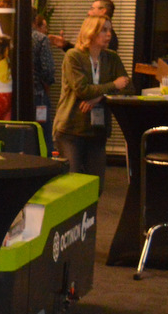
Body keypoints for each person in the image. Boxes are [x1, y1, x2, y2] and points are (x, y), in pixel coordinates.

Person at [54, 14, 130, 195]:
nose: (109, 34)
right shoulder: (74, 56)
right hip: (71, 129)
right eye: (103, 30)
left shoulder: (111, 58)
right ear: (90, 32)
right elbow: (82, 90)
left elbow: (128, 87)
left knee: (96, 188)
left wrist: (99, 97)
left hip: (97, 131)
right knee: (71, 187)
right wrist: (112, 85)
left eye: (110, 30)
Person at [50, 0, 119, 56]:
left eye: (92, 9)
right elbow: (84, 54)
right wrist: (65, 45)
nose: (88, 13)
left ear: (103, 11)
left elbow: (88, 57)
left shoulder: (108, 38)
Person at [31, 13, 56, 122]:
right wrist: (47, 85)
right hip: (38, 94)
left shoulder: (14, 36)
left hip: (16, 97)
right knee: (41, 128)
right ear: (35, 22)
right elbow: (48, 69)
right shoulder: (41, 39)